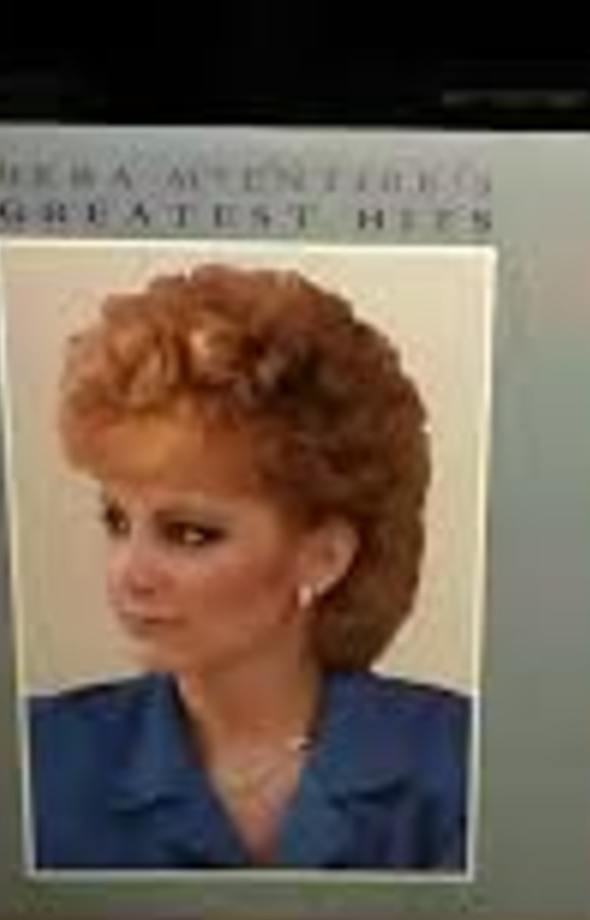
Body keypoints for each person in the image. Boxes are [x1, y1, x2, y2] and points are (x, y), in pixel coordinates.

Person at [26, 264, 470, 872]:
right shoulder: (37, 757)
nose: (129, 574)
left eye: (189, 534)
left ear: (325, 557)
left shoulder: (461, 763)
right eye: (118, 522)